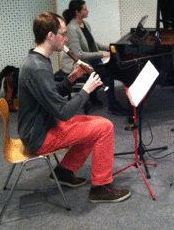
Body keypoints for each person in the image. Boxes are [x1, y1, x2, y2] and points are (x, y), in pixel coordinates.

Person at [18, 12, 131, 203]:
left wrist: (71, 79)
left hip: (42, 126)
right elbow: (63, 112)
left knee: (96, 123)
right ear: (50, 36)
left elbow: (50, 94)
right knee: (105, 128)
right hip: (38, 135)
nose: (66, 38)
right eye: (62, 33)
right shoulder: (37, 67)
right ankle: (100, 188)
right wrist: (86, 90)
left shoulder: (38, 60)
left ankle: (64, 171)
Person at [61, 0, 127, 116]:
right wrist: (102, 54)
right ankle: (112, 105)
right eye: (85, 9)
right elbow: (79, 54)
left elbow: (92, 44)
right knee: (107, 72)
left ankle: (93, 95)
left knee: (105, 67)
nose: (88, 11)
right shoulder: (72, 28)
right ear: (77, 12)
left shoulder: (85, 24)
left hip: (87, 59)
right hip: (75, 62)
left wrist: (109, 48)